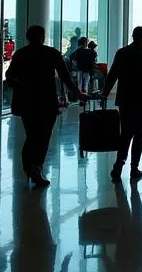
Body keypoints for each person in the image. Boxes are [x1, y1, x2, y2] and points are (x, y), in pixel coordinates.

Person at [5, 25, 85, 188]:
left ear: (27, 37)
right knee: (44, 135)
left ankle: (30, 168)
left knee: (32, 135)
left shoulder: (21, 54)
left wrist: (21, 86)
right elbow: (65, 77)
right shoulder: (51, 53)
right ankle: (36, 167)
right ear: (42, 36)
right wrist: (77, 92)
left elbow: (9, 77)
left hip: (27, 101)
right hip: (46, 100)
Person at [102, 26, 142, 183]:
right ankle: (134, 168)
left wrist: (104, 93)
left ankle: (119, 164)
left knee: (126, 133)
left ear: (132, 36)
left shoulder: (122, 53)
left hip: (126, 99)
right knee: (139, 134)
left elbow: (112, 75)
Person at [73, 38, 97, 103]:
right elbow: (93, 61)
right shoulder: (90, 52)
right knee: (85, 84)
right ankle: (84, 98)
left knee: (80, 85)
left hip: (79, 69)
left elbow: (74, 60)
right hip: (87, 70)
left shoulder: (77, 51)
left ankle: (80, 98)